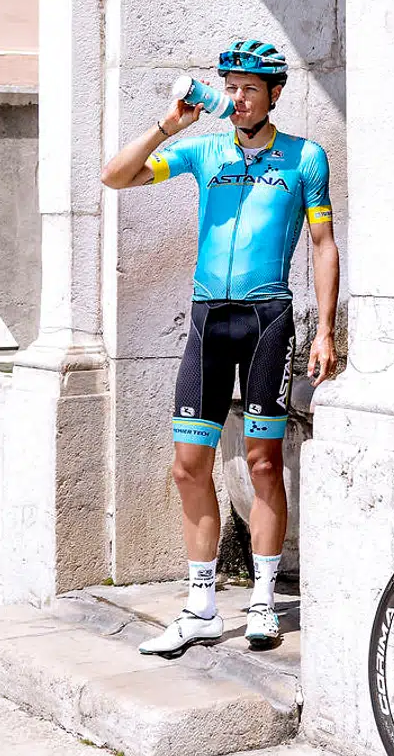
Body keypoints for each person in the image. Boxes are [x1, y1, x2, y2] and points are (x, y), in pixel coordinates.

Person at [100, 40, 339, 655]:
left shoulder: (303, 158)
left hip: (267, 320)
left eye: (249, 89)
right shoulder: (204, 150)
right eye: (230, 87)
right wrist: (167, 125)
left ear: (274, 94)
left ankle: (261, 602)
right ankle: (202, 605)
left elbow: (322, 246)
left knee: (262, 463)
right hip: (209, 320)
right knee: (188, 467)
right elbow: (115, 176)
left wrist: (328, 330)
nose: (236, 99)